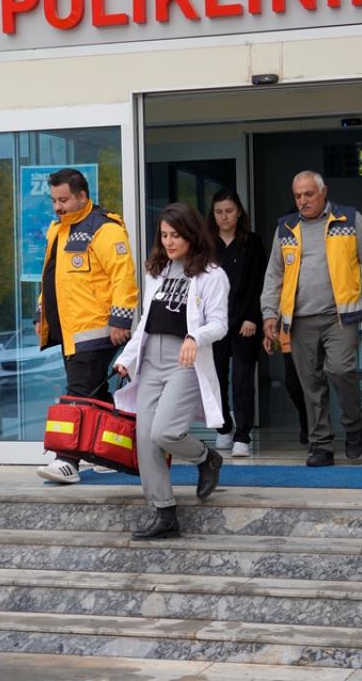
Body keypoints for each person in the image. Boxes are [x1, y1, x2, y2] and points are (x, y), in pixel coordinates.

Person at [113, 203, 228, 540]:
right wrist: (127, 357)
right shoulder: (157, 271)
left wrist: (195, 337)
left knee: (165, 432)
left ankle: (206, 458)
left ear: (191, 234)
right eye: (164, 235)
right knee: (145, 440)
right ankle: (164, 513)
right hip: (151, 361)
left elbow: (220, 324)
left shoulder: (212, 275)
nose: (168, 242)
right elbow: (145, 323)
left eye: (175, 235)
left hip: (184, 361)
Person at [260, 171, 362, 467]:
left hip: (339, 317)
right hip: (300, 320)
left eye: (308, 194)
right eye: (297, 196)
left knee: (341, 370)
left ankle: (353, 424)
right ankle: (321, 444)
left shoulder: (350, 220)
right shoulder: (286, 228)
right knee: (311, 383)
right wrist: (269, 314)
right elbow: (274, 275)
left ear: (323, 192)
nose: (303, 201)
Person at [35, 168, 138, 484]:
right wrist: (41, 313)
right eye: (54, 200)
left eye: (63, 200)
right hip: (71, 330)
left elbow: (123, 277)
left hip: (95, 329)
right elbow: (51, 277)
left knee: (78, 394)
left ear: (82, 196)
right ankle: (111, 454)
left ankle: (67, 460)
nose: (58, 206)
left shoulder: (105, 229)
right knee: (96, 393)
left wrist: (120, 320)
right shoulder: (59, 230)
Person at [207, 190, 286, 457]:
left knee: (242, 380)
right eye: (219, 212)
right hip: (214, 322)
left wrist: (254, 316)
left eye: (229, 211)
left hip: (245, 322)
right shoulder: (206, 244)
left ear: (239, 212)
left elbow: (260, 282)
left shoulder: (252, 242)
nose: (224, 217)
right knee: (215, 378)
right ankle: (223, 428)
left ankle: (243, 435)